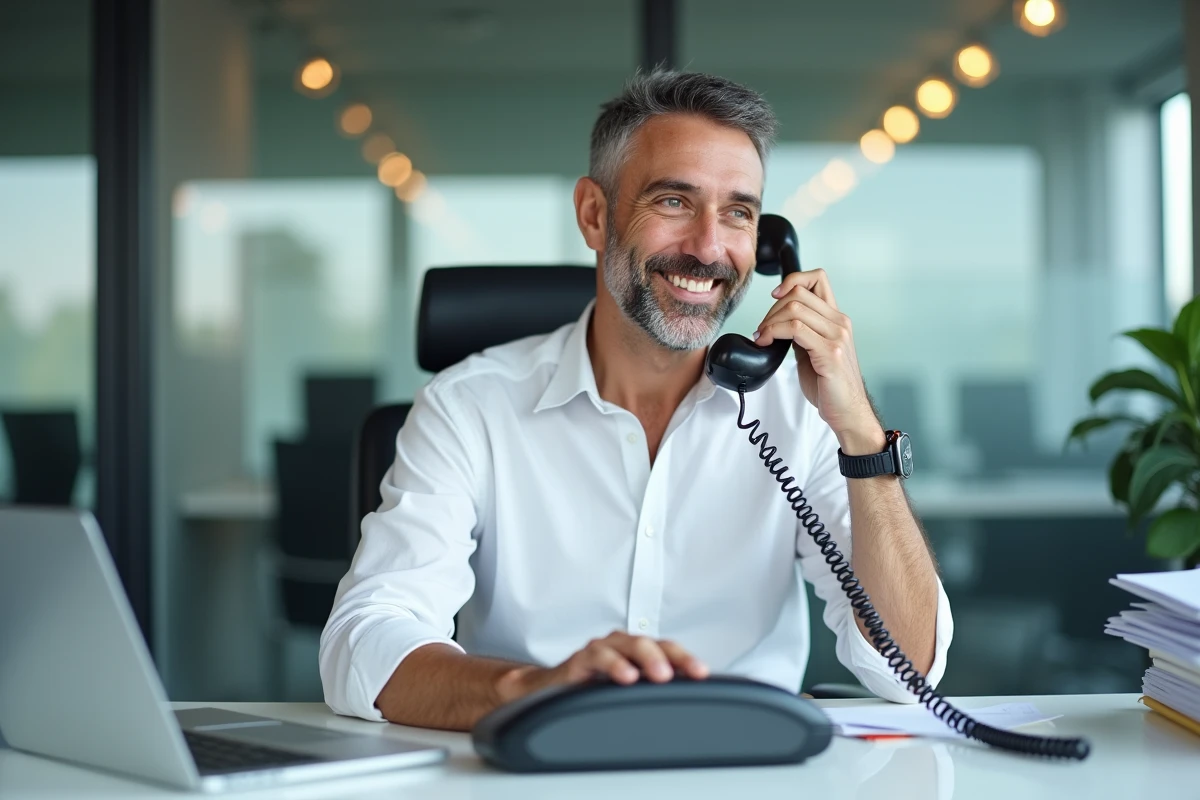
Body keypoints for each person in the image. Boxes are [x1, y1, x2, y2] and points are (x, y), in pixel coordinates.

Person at [320, 70, 952, 731]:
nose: (710, 247)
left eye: (738, 212)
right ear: (595, 215)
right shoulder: (468, 408)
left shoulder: (798, 413)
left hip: (748, 774)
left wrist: (859, 433)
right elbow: (362, 647)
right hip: (535, 775)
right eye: (674, 202)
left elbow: (911, 669)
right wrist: (541, 689)